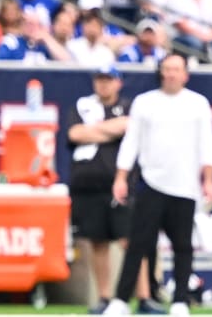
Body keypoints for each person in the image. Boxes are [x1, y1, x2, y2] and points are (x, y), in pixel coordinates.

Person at [105, 53, 212, 317]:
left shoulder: (197, 104)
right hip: (151, 184)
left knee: (182, 246)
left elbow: (207, 145)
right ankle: (121, 300)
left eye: (176, 69)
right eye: (166, 69)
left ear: (185, 74)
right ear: (160, 72)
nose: (170, 74)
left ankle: (180, 300)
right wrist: (121, 177)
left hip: (185, 186)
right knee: (138, 244)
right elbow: (131, 142)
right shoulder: (145, 103)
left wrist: (209, 180)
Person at [67, 66, 147, 315]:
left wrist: (95, 130)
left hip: (120, 182)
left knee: (130, 240)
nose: (103, 84)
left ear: (118, 83)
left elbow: (129, 127)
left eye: (108, 80)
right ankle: (105, 296)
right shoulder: (82, 106)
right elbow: (75, 133)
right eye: (100, 79)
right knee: (97, 241)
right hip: (87, 184)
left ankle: (143, 297)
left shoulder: (129, 106)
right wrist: (110, 130)